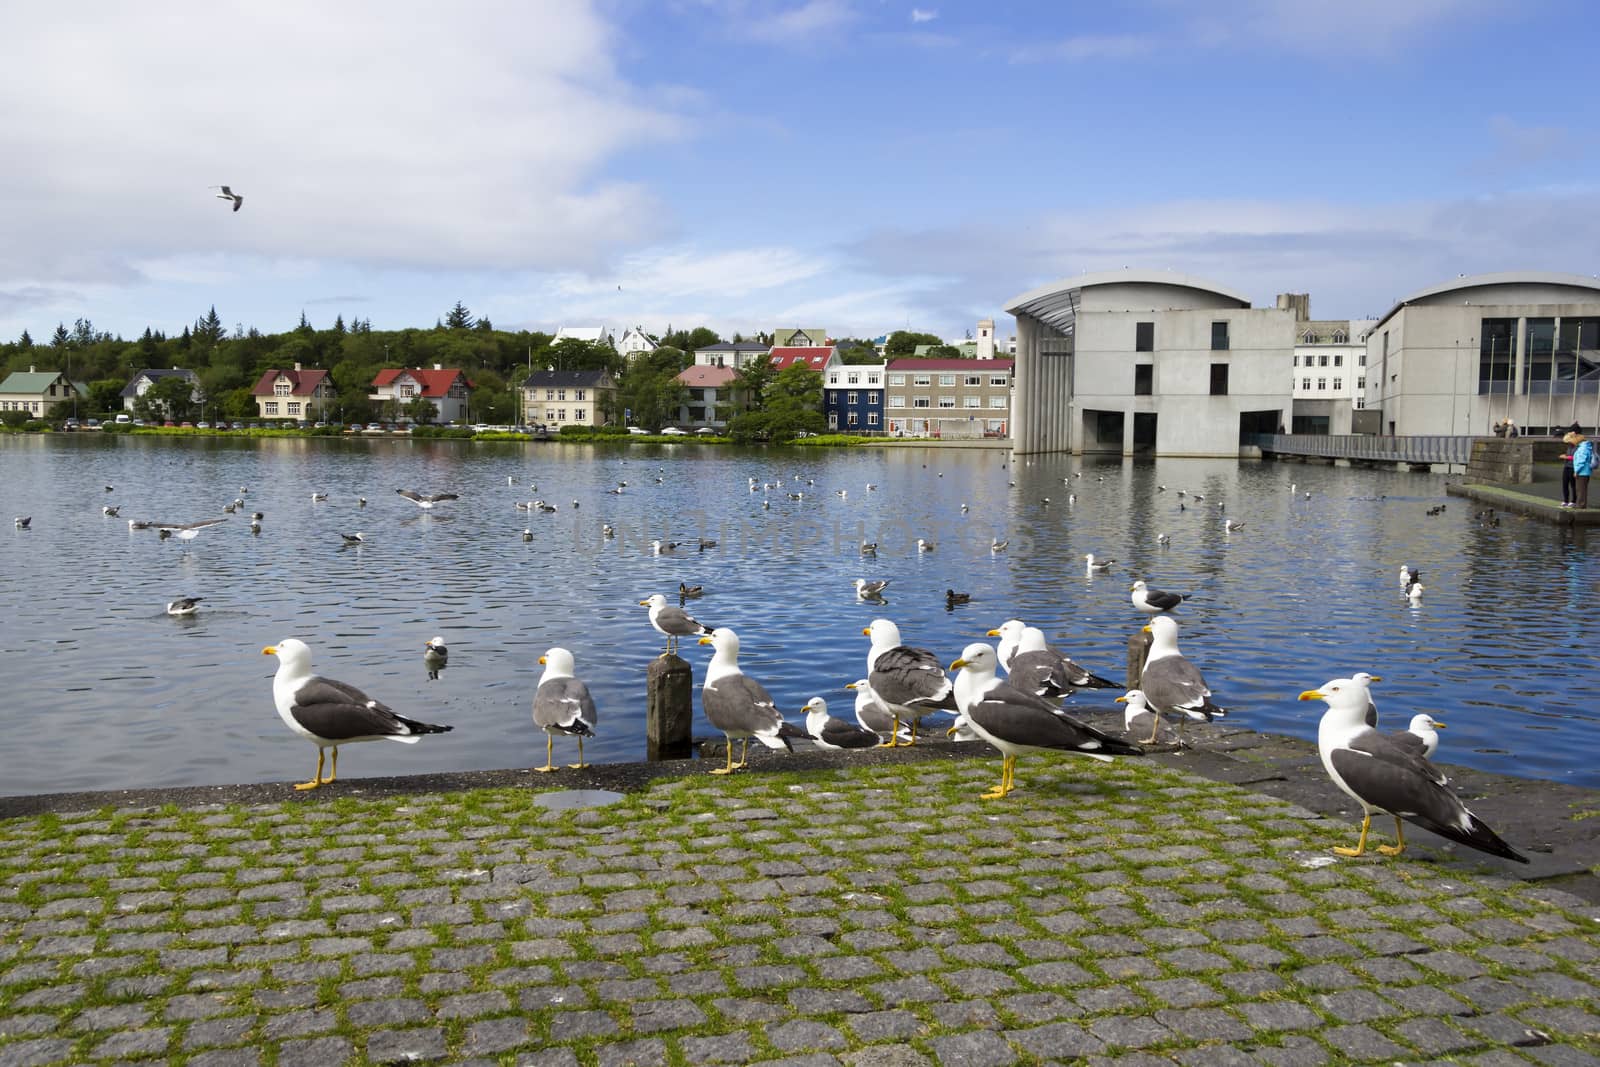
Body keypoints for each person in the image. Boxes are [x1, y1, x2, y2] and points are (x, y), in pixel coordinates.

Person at [1574, 431, 1596, 509]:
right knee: (1582, 489)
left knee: (1580, 489)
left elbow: (1581, 461)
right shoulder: (1586, 447)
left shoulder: (1582, 448)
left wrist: (1576, 471)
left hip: (1582, 472)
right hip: (1586, 471)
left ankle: (1581, 505)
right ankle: (1581, 504)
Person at [1560, 431, 1580, 507]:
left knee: (1573, 485)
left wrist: (1566, 457)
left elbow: (1576, 457)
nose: (1568, 442)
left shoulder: (1577, 448)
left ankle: (1574, 501)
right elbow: (1569, 455)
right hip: (1566, 467)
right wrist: (1565, 456)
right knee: (1565, 484)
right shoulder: (1569, 447)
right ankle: (1565, 500)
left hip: (1573, 467)